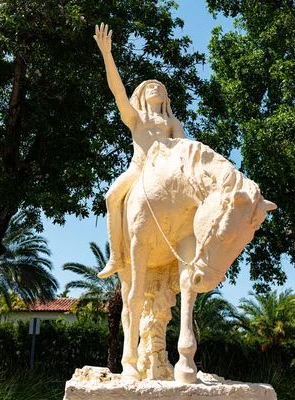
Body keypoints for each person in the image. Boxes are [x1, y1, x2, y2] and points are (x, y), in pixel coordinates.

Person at [94, 23, 186, 278]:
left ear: (165, 98)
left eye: (160, 87)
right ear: (142, 96)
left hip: (165, 171)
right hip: (138, 169)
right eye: (149, 87)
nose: (155, 87)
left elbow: (183, 151)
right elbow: (118, 92)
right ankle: (116, 256)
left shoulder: (172, 123)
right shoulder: (135, 118)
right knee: (112, 197)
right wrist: (107, 55)